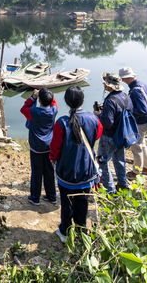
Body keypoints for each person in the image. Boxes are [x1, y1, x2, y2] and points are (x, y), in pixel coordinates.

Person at [49, 86, 102, 243]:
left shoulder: (62, 123)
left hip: (66, 172)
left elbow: (55, 149)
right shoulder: (94, 120)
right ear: (83, 100)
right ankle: (81, 229)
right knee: (82, 203)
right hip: (86, 171)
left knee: (67, 204)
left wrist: (53, 159)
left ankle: (65, 231)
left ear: (66, 102)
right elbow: (97, 135)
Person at [20, 87, 58, 205]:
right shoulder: (53, 111)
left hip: (36, 147)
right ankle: (52, 196)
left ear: (40, 101)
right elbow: (54, 102)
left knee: (36, 172)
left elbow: (23, 108)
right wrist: (46, 94)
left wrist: (33, 97)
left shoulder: (33, 112)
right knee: (49, 171)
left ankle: (35, 197)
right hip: (49, 147)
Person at [94, 72, 130, 193]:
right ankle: (122, 183)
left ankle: (110, 190)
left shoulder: (110, 100)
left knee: (103, 162)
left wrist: (98, 115)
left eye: (105, 83)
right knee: (120, 160)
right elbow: (121, 112)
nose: (103, 85)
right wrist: (105, 109)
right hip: (122, 135)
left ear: (109, 86)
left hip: (109, 137)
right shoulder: (125, 96)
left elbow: (107, 123)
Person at [119, 67, 147, 179]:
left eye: (123, 78)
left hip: (140, 122)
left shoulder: (135, 90)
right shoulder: (142, 84)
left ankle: (136, 172)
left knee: (136, 146)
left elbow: (143, 110)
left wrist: (129, 111)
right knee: (142, 144)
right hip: (146, 121)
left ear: (127, 78)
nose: (122, 81)